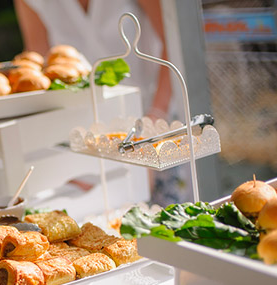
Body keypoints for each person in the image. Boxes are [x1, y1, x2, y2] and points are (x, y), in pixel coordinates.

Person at [14, 0, 191, 205]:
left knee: (166, 219)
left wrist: (153, 124)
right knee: (101, 215)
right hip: (86, 131)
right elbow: (39, 66)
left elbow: (174, 41)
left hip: (155, 115)